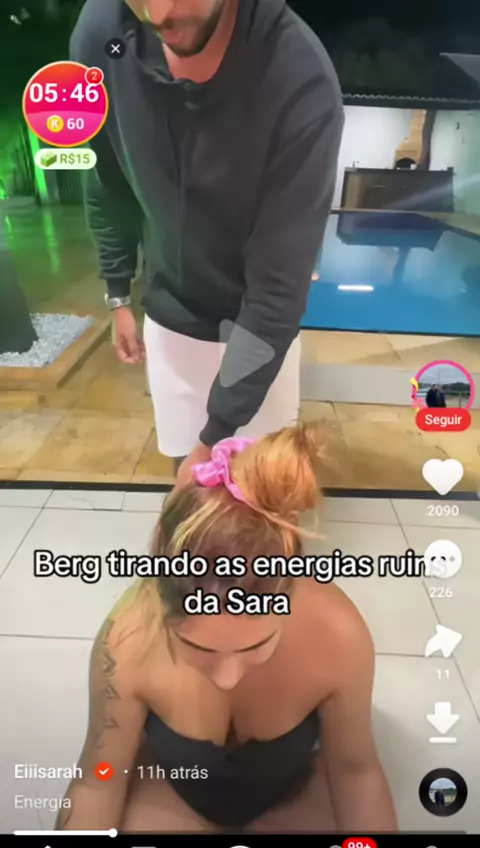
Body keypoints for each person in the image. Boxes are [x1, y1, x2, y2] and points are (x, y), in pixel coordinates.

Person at [56, 423, 397, 833]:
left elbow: (356, 773)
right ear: (161, 608)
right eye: (200, 649)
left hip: (296, 797)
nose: (228, 677)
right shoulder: (126, 639)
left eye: (256, 645)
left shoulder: (338, 633)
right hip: (172, 797)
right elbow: (98, 783)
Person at [70, 0, 344, 485]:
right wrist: (118, 294)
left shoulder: (299, 79)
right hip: (171, 325)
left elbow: (276, 291)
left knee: (260, 494)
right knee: (186, 487)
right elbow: (108, 178)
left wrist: (213, 435)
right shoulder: (101, 36)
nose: (159, 13)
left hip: (258, 337)